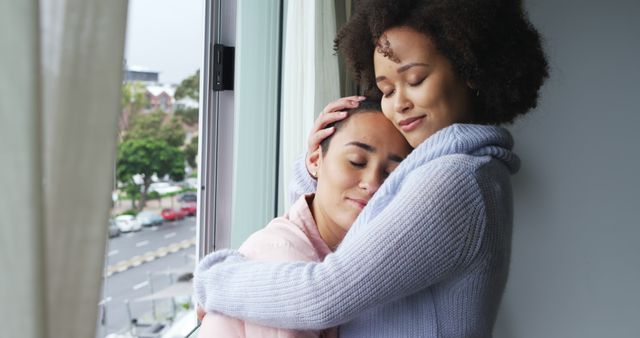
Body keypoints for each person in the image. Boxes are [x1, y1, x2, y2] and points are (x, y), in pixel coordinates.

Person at [194, 0, 549, 336]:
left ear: (470, 69)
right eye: (387, 90)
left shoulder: (456, 179)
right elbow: (357, 237)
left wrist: (211, 279)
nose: (400, 104)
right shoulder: (448, 166)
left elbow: (324, 296)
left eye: (415, 81)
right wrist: (318, 165)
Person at [196, 101, 412, 338]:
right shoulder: (282, 262)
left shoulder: (336, 247)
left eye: (391, 174)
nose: (372, 184)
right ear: (314, 162)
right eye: (356, 162)